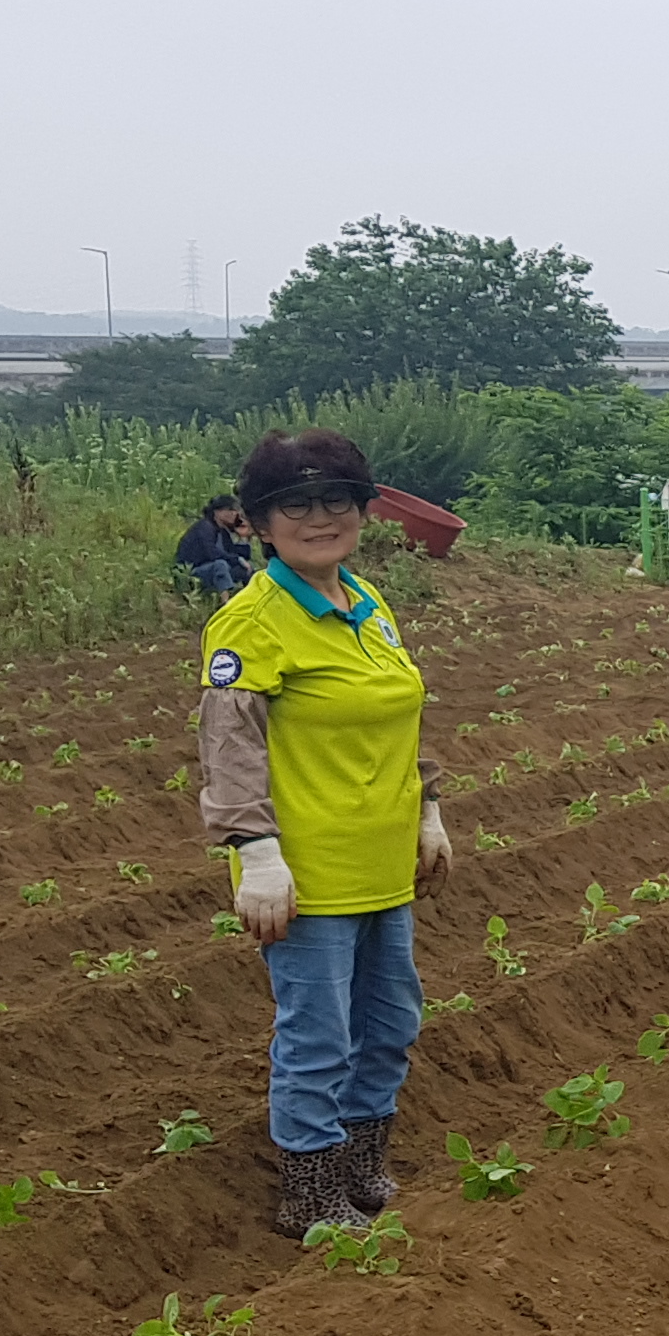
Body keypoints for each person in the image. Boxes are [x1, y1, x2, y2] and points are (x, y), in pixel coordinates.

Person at [196, 431, 445, 1237]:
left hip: (384, 866)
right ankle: (308, 1192)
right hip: (309, 877)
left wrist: (429, 807)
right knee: (318, 1038)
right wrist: (254, 854)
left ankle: (361, 1166)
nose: (318, 517)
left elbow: (400, 710)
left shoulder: (366, 603)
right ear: (261, 524)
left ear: (363, 512)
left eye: (336, 499)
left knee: (390, 1024)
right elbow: (229, 747)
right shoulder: (251, 621)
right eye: (293, 504)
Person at [175, 496, 254, 599]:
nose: (234, 513)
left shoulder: (222, 531)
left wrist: (244, 537)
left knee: (244, 569)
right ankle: (226, 602)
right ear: (217, 511)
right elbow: (212, 553)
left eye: (235, 510)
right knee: (220, 565)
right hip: (193, 572)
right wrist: (238, 559)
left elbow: (234, 552)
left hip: (214, 570)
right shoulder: (205, 527)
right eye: (230, 509)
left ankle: (252, 600)